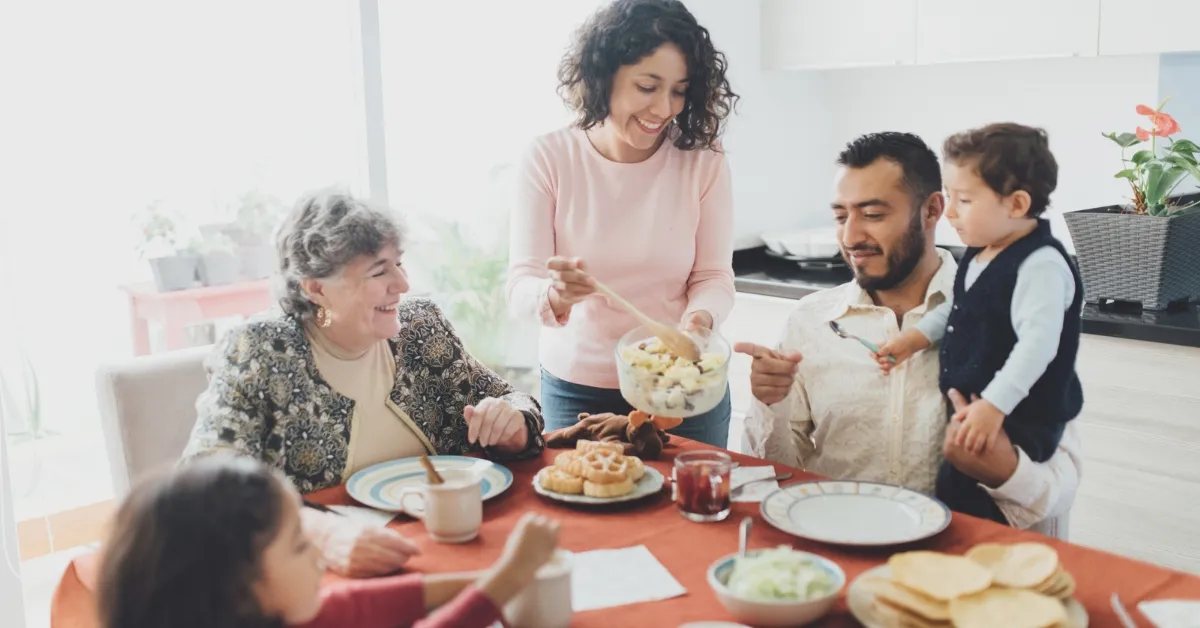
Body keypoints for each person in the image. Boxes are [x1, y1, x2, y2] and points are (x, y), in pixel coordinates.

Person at [183, 188, 546, 577]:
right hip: (327, 569)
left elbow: (514, 401)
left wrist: (514, 425)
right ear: (316, 288)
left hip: (456, 547)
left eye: (399, 263)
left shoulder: (422, 327)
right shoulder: (260, 350)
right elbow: (207, 483)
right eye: (379, 271)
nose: (403, 284)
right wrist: (320, 534)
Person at [738, 132, 1082, 537]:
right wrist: (768, 402)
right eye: (840, 216)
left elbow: (1060, 486)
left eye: (874, 214)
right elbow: (769, 476)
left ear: (933, 209)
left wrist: (1005, 473)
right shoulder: (808, 321)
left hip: (959, 557)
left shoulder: (1011, 311)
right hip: (835, 545)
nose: (850, 238)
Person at [506, 0, 739, 447]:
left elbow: (713, 276)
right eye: (647, 86)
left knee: (690, 514)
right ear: (603, 75)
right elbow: (520, 287)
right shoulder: (550, 158)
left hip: (681, 388)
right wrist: (553, 295)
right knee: (585, 510)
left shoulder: (703, 161)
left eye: (679, 90)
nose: (664, 108)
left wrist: (696, 324)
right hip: (578, 387)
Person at [873, 123, 1084, 524]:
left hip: (1023, 414)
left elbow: (1037, 346)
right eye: (950, 197)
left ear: (1017, 204)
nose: (949, 211)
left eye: (964, 199)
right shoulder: (980, 252)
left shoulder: (1041, 265)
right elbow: (957, 307)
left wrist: (994, 406)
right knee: (954, 489)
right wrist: (915, 339)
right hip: (980, 408)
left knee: (995, 505)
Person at [97, 455, 561, 628]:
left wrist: (482, 578)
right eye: (301, 545)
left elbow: (358, 608)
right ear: (239, 586)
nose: (319, 558)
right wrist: (508, 577)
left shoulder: (265, 613)